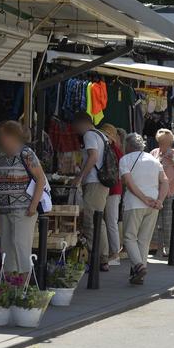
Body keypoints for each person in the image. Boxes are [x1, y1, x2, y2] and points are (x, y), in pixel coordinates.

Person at [0, 121, 46, 274]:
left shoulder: (26, 153)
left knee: (20, 246)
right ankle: (11, 284)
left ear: (13, 136)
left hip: (23, 209)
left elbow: (40, 179)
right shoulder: (2, 155)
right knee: (7, 248)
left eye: (3, 135)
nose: (0, 139)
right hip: (4, 210)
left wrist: (33, 205)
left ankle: (25, 285)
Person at [119, 133, 169, 284]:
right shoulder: (154, 160)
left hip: (134, 203)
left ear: (127, 146)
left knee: (129, 237)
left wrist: (142, 198)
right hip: (153, 204)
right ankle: (139, 273)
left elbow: (129, 183)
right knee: (144, 239)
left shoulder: (125, 159)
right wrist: (159, 200)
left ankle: (139, 266)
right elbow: (164, 181)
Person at [71, 112, 110, 272]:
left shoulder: (89, 135)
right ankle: (102, 257)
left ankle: (97, 258)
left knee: (90, 220)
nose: (76, 130)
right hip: (101, 182)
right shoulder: (102, 135)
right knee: (98, 220)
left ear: (81, 123)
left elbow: (93, 157)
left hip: (94, 181)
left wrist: (80, 177)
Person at [150, 128, 174, 257]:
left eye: (166, 142)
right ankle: (153, 245)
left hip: (172, 190)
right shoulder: (154, 152)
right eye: (161, 142)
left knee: (167, 219)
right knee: (153, 219)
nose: (164, 145)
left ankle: (167, 246)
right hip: (156, 189)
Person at [99, 123, 124, 264]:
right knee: (108, 221)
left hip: (113, 189)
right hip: (111, 188)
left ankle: (114, 253)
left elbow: (120, 163)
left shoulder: (114, 149)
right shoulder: (112, 148)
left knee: (111, 221)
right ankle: (111, 252)